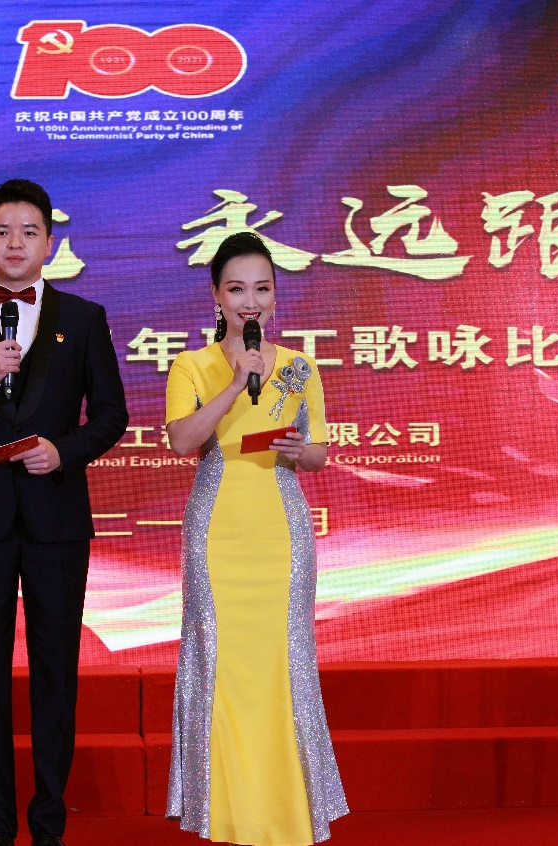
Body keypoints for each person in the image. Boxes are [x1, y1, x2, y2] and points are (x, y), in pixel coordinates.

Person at [0, 178, 128, 846]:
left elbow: (112, 415)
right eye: (2, 231)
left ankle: (48, 822)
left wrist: (64, 452)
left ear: (50, 243)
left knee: (55, 670)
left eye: (29, 231)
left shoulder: (84, 319)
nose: (15, 243)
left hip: (55, 518)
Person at [164, 232, 348, 845]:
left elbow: (318, 452)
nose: (251, 301)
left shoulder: (299, 367)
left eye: (262, 289)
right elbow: (183, 441)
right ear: (216, 297)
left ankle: (285, 815)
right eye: (237, 289)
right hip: (218, 534)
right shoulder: (192, 365)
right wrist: (233, 382)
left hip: (280, 533)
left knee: (280, 665)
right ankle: (228, 815)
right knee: (222, 666)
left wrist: (300, 449)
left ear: (275, 295)